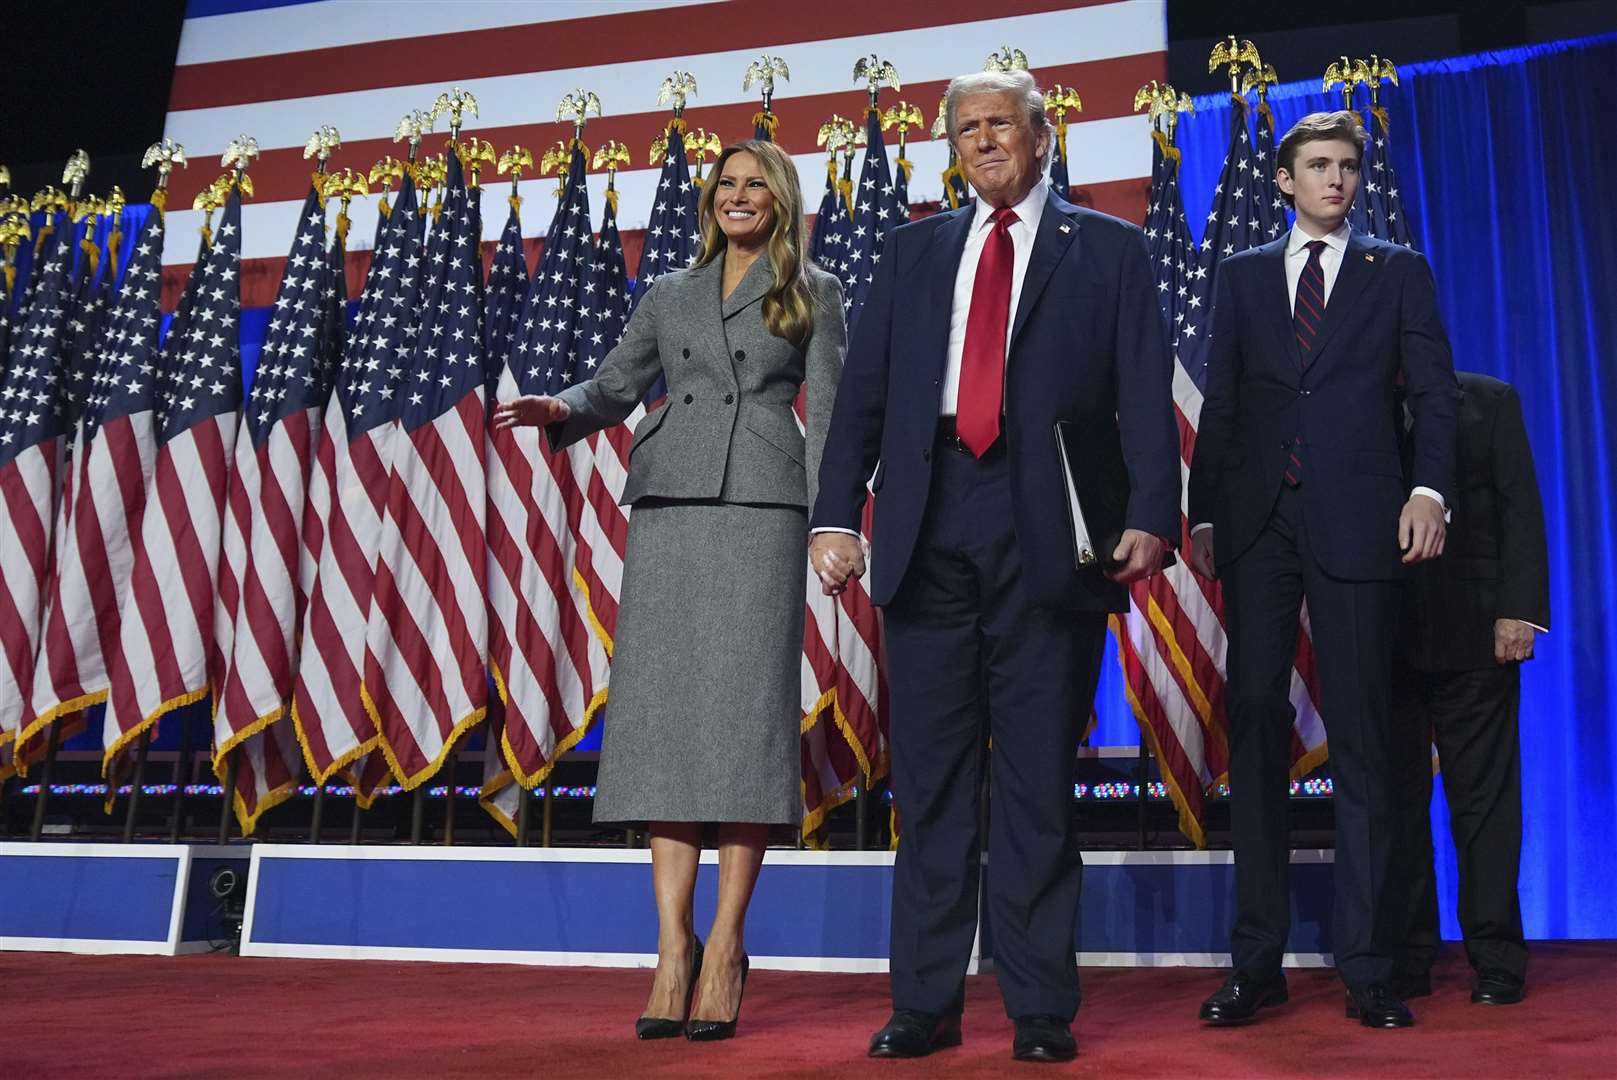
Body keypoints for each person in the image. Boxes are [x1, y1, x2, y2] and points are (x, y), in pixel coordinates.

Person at [811, 69, 1180, 1063]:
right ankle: (923, 1005)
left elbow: (1144, 387)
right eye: (967, 129)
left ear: (1040, 136)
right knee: (928, 783)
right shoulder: (911, 251)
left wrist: (1153, 512)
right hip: (929, 526)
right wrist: (834, 517)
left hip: (1050, 530)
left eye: (1000, 125)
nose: (983, 142)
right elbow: (865, 400)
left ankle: (1040, 1008)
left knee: (1032, 785)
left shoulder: (1106, 248)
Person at [493, 140, 845, 1042]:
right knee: (662, 724)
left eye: (753, 183)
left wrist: (832, 527)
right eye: (724, 184)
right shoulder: (668, 294)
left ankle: (726, 945)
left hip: (763, 512)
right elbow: (615, 386)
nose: (737, 196)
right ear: (707, 202)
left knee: (738, 721)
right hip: (670, 510)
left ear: (779, 198)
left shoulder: (815, 292)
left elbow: (833, 419)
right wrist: (562, 407)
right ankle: (670, 950)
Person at [1186, 110, 1460, 1029]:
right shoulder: (1242, 275)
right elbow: (1220, 401)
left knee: (1364, 745)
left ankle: (1368, 967)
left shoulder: (1397, 272)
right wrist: (1206, 513)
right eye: (1317, 166)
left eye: (1346, 166)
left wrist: (1429, 492)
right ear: (1284, 179)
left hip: (1358, 525)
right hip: (1260, 528)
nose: (1335, 181)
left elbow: (1434, 394)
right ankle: (1254, 964)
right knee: (1256, 731)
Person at [1385, 371, 1548, 1007]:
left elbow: (1521, 510)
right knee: (1394, 807)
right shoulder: (1351, 406)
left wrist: (1520, 611)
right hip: (1382, 642)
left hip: (1477, 638)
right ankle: (1406, 957)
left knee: (1484, 806)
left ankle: (1498, 957)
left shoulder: (1489, 402)